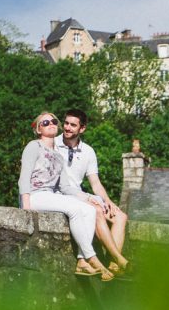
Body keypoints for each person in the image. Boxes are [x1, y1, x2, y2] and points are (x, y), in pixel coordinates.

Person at [19, 112, 113, 281]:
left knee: (90, 210)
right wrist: (25, 208)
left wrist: (88, 197)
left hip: (49, 195)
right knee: (75, 210)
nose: (51, 123)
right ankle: (93, 258)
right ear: (38, 129)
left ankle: (82, 261)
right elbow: (24, 178)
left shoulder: (58, 155)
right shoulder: (33, 146)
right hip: (34, 196)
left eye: (54, 121)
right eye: (45, 122)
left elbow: (65, 187)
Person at [56, 109, 130, 275]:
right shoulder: (52, 144)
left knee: (120, 216)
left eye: (72, 125)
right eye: (66, 123)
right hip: (61, 196)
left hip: (81, 195)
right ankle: (120, 258)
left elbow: (95, 183)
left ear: (82, 129)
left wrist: (109, 201)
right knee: (95, 210)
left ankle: (113, 265)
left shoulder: (88, 151)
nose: (67, 128)